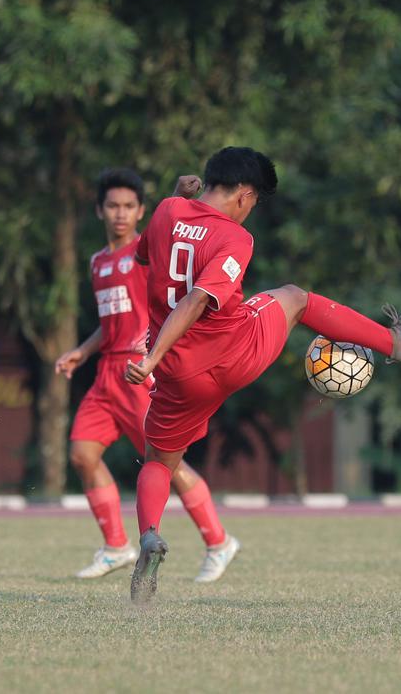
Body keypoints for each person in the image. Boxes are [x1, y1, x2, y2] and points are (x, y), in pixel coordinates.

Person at [124, 146, 401, 604]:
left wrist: (152, 360)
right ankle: (398, 341)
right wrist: (148, 359)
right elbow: (196, 301)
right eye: (256, 202)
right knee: (294, 297)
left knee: (158, 462)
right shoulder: (235, 238)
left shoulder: (167, 210)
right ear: (245, 195)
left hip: (176, 375)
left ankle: (149, 535)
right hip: (231, 354)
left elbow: (147, 255)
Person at [54, 168, 240, 583]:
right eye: (112, 206)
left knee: (167, 465)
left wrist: (176, 194)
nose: (120, 214)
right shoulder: (97, 262)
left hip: (141, 373)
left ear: (141, 211)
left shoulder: (148, 247)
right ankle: (116, 547)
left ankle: (218, 541)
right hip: (106, 375)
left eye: (128, 206)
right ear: (100, 210)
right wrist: (81, 353)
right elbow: (110, 321)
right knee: (82, 455)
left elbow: (172, 228)